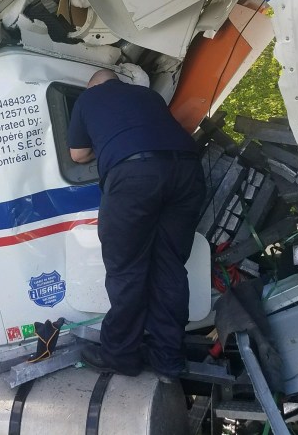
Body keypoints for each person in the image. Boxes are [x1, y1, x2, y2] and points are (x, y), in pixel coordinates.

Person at [68, 69, 205, 381]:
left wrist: (101, 145)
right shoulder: (149, 96)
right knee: (169, 267)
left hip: (135, 175)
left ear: (93, 85)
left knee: (126, 268)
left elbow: (77, 155)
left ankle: (120, 356)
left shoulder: (89, 98)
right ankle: (168, 359)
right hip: (187, 172)